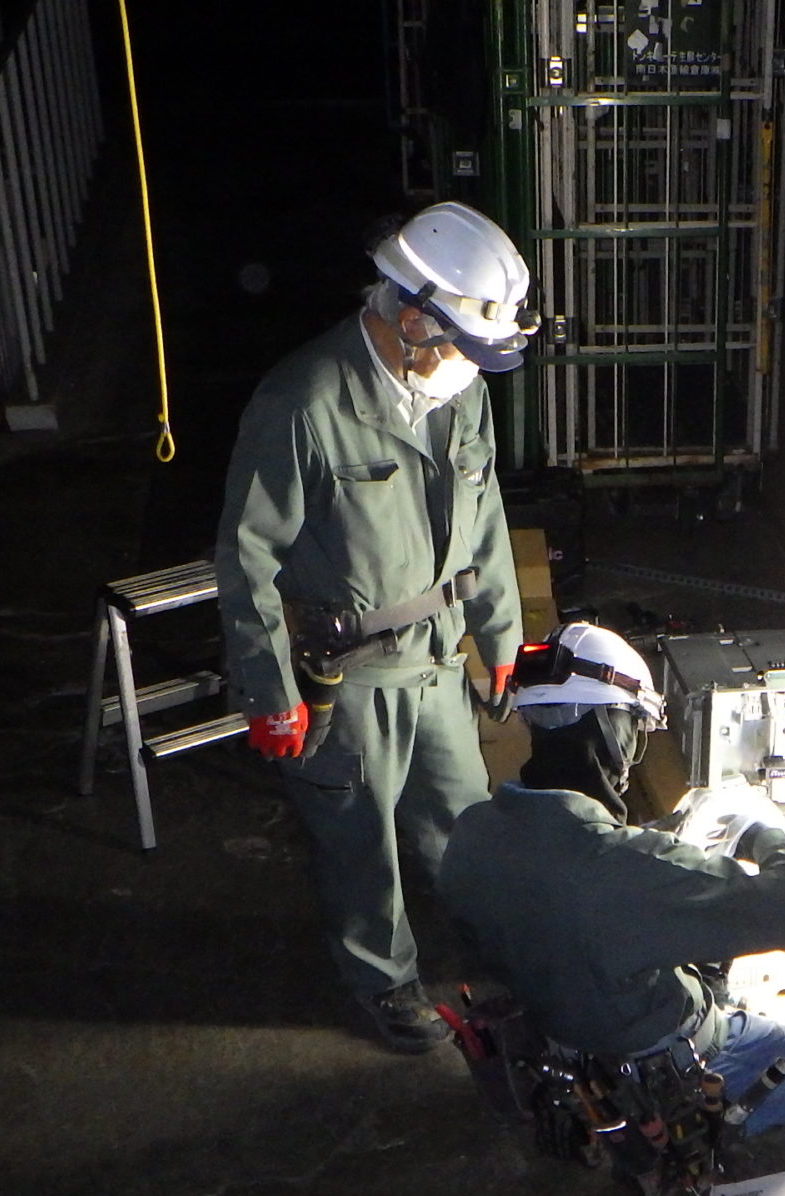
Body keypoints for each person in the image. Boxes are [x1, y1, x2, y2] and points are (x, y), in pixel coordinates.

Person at [214, 202, 532, 1053]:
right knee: (359, 843)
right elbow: (246, 556)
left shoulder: (458, 393)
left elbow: (486, 514)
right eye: (461, 344)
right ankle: (383, 980)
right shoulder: (304, 402)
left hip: (436, 662)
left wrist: (500, 632)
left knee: (465, 823)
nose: (469, 367)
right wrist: (268, 688)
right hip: (346, 674)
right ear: (413, 318)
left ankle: (500, 950)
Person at [438, 622, 785, 1134]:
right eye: (636, 728)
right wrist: (767, 839)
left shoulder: (472, 833)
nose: (636, 753)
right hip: (657, 1068)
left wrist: (665, 840)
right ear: (610, 726)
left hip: (554, 1038)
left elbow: (576, 873)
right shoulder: (624, 868)